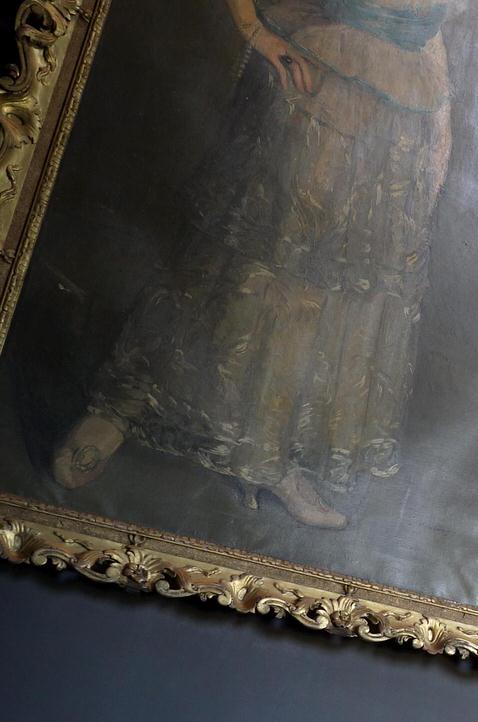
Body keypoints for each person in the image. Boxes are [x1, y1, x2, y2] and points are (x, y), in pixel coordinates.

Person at [50, 0, 456, 530]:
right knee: (257, 269)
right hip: (321, 72)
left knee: (339, 290)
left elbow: (429, 20)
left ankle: (270, 457)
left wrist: (441, 123)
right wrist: (257, 34)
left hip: (403, 109)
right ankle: (121, 408)